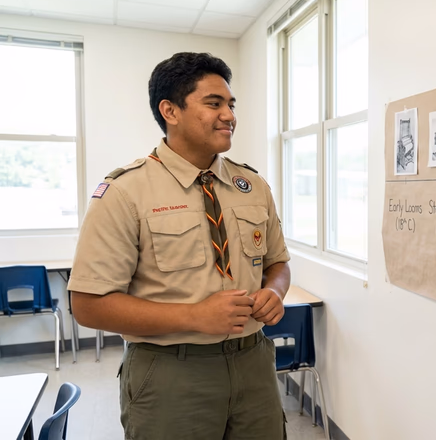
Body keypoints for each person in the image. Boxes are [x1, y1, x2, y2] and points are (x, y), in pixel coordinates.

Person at [69, 52, 290, 440]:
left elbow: (278, 263)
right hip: (170, 370)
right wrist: (193, 316)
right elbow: (87, 304)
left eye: (231, 104)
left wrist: (274, 291)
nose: (229, 115)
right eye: (213, 103)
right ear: (170, 110)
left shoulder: (253, 186)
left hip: (253, 362)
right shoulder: (125, 192)